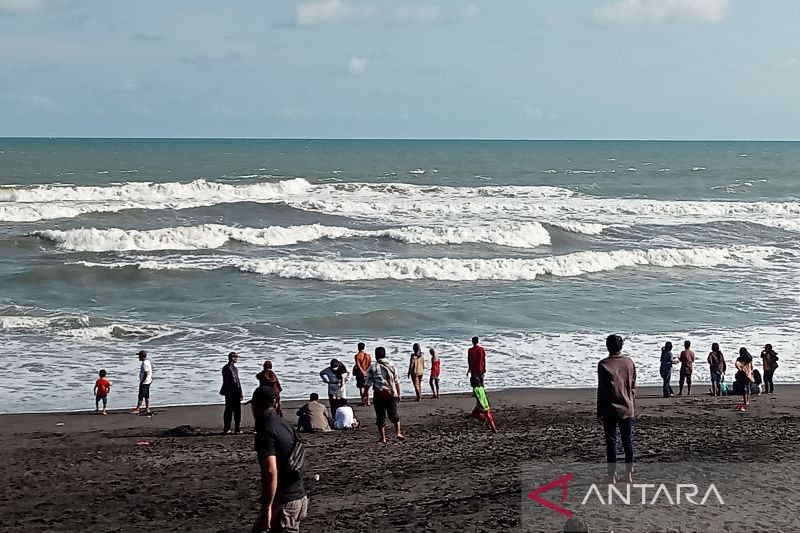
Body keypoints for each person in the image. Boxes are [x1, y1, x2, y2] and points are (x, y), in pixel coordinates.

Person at [250, 385, 308, 533]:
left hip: (284, 502)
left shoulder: (266, 430)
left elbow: (271, 471)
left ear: (256, 405)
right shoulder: (284, 424)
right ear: (276, 403)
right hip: (299, 496)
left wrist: (267, 507)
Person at [597, 334, 636, 483]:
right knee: (628, 441)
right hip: (627, 406)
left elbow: (602, 390)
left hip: (610, 408)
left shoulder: (604, 364)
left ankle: (611, 476)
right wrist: (632, 403)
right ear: (621, 346)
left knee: (611, 442)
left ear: (608, 346)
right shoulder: (629, 362)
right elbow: (632, 386)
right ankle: (629, 474)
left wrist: (599, 410)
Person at [365, 346, 405, 443]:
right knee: (393, 414)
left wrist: (365, 395)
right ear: (385, 354)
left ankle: (383, 438)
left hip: (379, 394)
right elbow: (396, 381)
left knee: (380, 417)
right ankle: (398, 432)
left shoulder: (373, 367)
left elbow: (368, 382)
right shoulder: (392, 365)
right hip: (391, 394)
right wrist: (398, 394)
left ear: (376, 355)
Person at [220, 351, 243, 434]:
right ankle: (236, 429)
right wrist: (240, 392)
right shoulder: (231, 368)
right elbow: (235, 381)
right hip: (233, 391)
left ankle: (228, 428)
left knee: (229, 410)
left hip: (228, 392)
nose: (237, 358)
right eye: (236, 357)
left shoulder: (226, 367)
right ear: (232, 358)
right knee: (236, 411)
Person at [133, 350, 153, 415]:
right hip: (148, 381)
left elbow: (146, 373)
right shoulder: (147, 361)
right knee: (146, 395)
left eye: (139, 356)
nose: (138, 357)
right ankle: (147, 408)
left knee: (141, 395)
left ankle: (138, 409)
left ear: (142, 356)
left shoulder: (145, 363)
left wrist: (142, 381)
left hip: (145, 382)